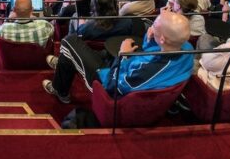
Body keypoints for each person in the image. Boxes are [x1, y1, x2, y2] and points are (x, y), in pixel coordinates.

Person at [42, 10, 193, 104]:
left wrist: (123, 56)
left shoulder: (150, 69)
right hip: (127, 70)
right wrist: (149, 37)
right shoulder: (185, 47)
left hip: (108, 84)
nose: (151, 27)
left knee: (69, 41)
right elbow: (151, 51)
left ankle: (60, 91)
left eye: (155, 25)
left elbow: (114, 87)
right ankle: (65, 66)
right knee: (72, 55)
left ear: (162, 39)